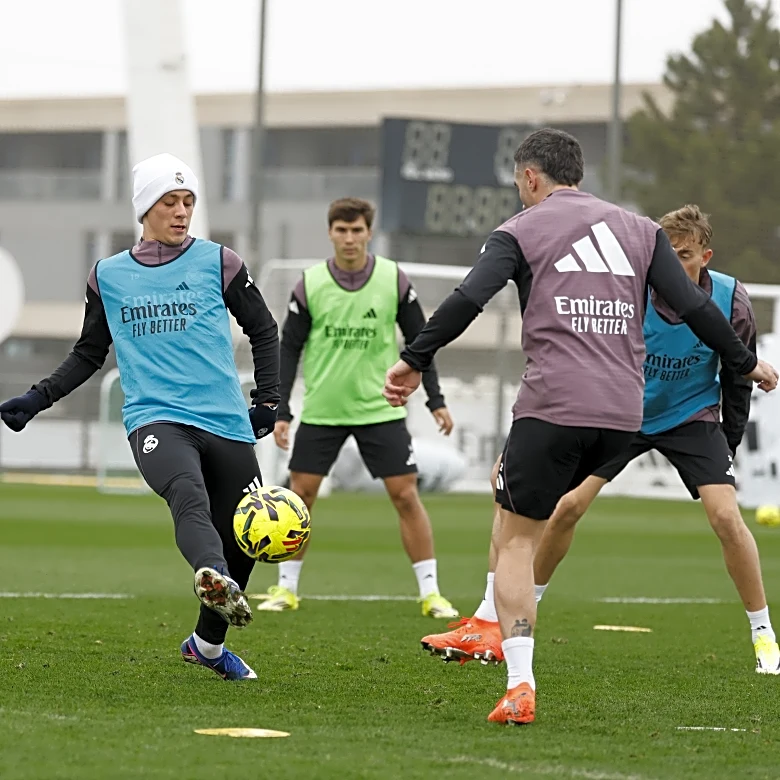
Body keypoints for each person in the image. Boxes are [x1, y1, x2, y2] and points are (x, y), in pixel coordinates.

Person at [383, 129, 778, 725]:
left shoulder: (520, 229)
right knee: (533, 499)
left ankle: (515, 672)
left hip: (557, 406)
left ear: (531, 177)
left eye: (519, 183)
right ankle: (486, 620)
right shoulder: (640, 231)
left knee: (515, 534)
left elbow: (469, 298)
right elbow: (696, 308)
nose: (519, 193)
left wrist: (415, 358)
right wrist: (747, 362)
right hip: (621, 415)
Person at [0, 153, 280, 681]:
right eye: (170, 201)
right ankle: (213, 574)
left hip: (225, 420)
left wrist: (268, 400)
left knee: (245, 535)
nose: (181, 211)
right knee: (188, 494)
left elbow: (264, 330)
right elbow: (89, 353)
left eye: (188, 201)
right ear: (145, 208)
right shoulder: (107, 275)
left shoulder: (220, 262)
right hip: (156, 420)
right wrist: (37, 398)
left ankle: (207, 646)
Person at [258, 197, 458, 618]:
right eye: (341, 230)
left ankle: (431, 593)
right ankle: (285, 589)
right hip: (323, 411)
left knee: (406, 496)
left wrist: (435, 399)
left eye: (357, 230)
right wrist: (282, 410)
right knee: (300, 498)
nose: (349, 238)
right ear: (331, 233)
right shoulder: (310, 284)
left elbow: (420, 343)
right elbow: (289, 348)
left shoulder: (393, 280)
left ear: (369, 233)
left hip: (380, 410)